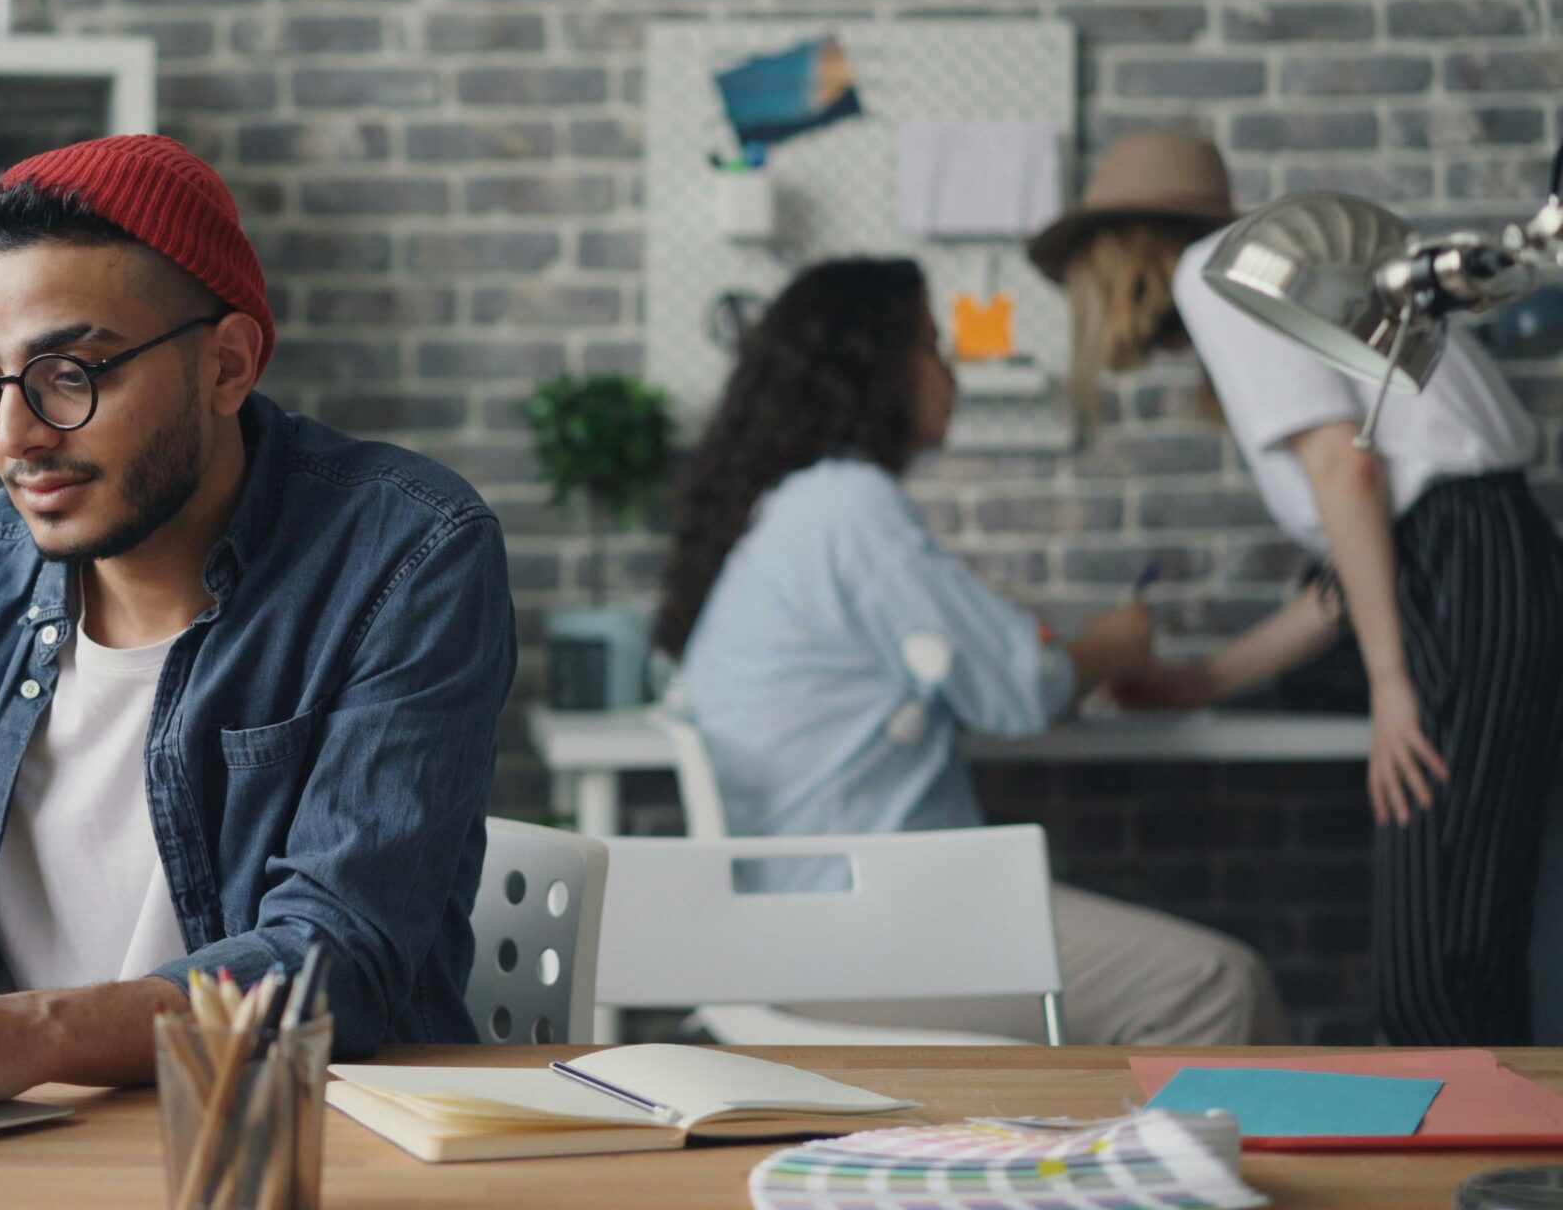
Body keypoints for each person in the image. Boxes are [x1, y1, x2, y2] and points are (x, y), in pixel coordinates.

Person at [0, 135, 513, 1109]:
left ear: (226, 365)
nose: (15, 435)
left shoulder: (405, 553)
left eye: (69, 374)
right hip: (2, 1146)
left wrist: (24, 1032)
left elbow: (336, 959)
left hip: (288, 1141)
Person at [656, 256, 1288, 1046]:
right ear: (873, 370)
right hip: (858, 934)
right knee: (1214, 986)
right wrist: (1113, 647)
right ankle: (1160, 1170)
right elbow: (1020, 686)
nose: (949, 370)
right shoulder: (848, 507)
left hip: (812, 925)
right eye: (930, 344)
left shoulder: (792, 513)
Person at [1032, 130, 1562, 1046]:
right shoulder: (1271, 264)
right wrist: (1207, 682)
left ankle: (1487, 1185)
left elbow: (1342, 477)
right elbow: (1352, 570)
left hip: (1467, 574)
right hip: (1484, 562)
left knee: (1435, 975)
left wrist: (1392, 686)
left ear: (1114, 257)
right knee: (1462, 954)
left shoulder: (1217, 271)